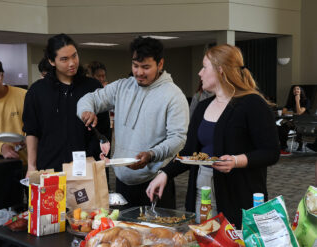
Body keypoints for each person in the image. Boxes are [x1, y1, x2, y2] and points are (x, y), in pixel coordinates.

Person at [146, 44, 280, 228]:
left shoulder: (252, 103)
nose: (200, 73)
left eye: (204, 67)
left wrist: (236, 160)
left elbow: (271, 152)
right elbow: (189, 152)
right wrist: (165, 174)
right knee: (204, 237)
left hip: (238, 194)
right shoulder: (202, 107)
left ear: (220, 70)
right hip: (203, 191)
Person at [77, 36, 189, 208]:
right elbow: (90, 98)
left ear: (160, 64)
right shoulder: (123, 87)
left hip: (155, 182)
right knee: (123, 233)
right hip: (122, 182)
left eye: (146, 67)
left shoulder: (173, 95)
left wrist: (152, 154)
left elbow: (178, 139)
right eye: (135, 66)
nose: (139, 72)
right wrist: (86, 111)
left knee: (156, 234)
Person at [22, 34, 109, 175]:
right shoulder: (37, 91)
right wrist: (31, 166)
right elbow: (32, 131)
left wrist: (99, 158)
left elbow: (104, 130)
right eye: (64, 59)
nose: (72, 63)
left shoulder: (92, 87)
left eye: (74, 56)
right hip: (49, 167)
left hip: (87, 167)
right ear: (51, 61)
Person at [279, 85, 310, 153]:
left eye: (298, 89)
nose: (296, 90)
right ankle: (283, 145)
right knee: (283, 126)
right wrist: (293, 113)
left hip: (304, 122)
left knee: (299, 127)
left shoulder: (306, 101)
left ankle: (300, 145)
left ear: (301, 91)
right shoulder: (291, 100)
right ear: (293, 92)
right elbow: (283, 112)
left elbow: (299, 112)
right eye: (294, 89)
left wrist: (297, 101)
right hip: (294, 121)